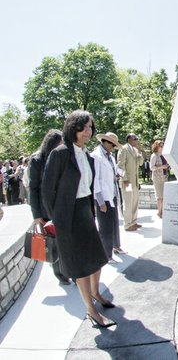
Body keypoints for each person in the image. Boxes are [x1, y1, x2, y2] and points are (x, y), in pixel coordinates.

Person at [42, 110, 116, 328]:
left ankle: (96, 293)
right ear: (73, 128)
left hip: (85, 209)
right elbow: (47, 190)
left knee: (98, 257)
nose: (88, 132)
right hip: (68, 215)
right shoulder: (60, 154)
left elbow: (88, 186)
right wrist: (56, 219)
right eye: (84, 127)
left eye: (90, 127)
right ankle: (92, 311)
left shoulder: (86, 154)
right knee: (82, 265)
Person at [29, 129, 71, 285]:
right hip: (46, 208)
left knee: (66, 241)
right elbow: (33, 188)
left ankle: (70, 270)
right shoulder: (37, 160)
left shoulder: (61, 157)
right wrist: (36, 214)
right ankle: (60, 274)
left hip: (62, 206)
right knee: (54, 243)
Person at [92, 132, 126, 262]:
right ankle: (106, 254)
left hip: (112, 194)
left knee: (114, 223)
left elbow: (113, 171)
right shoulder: (96, 156)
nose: (113, 147)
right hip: (103, 196)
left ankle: (115, 246)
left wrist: (118, 174)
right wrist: (100, 201)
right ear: (105, 142)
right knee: (105, 227)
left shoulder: (109, 157)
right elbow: (95, 180)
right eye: (112, 144)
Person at [117, 133, 144, 231]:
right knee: (128, 202)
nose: (137, 140)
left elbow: (140, 163)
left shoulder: (136, 150)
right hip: (127, 182)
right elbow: (120, 166)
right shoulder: (124, 149)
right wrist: (124, 179)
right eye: (135, 138)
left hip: (135, 182)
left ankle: (133, 221)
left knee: (134, 202)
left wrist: (140, 154)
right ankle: (127, 224)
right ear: (129, 139)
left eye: (137, 138)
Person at [150, 140, 170, 218]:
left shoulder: (163, 155)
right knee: (159, 197)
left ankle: (164, 211)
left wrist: (168, 166)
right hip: (157, 179)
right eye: (160, 146)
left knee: (164, 196)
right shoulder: (154, 155)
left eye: (163, 145)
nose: (162, 147)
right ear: (156, 146)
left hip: (164, 177)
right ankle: (159, 212)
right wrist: (162, 167)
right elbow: (151, 168)